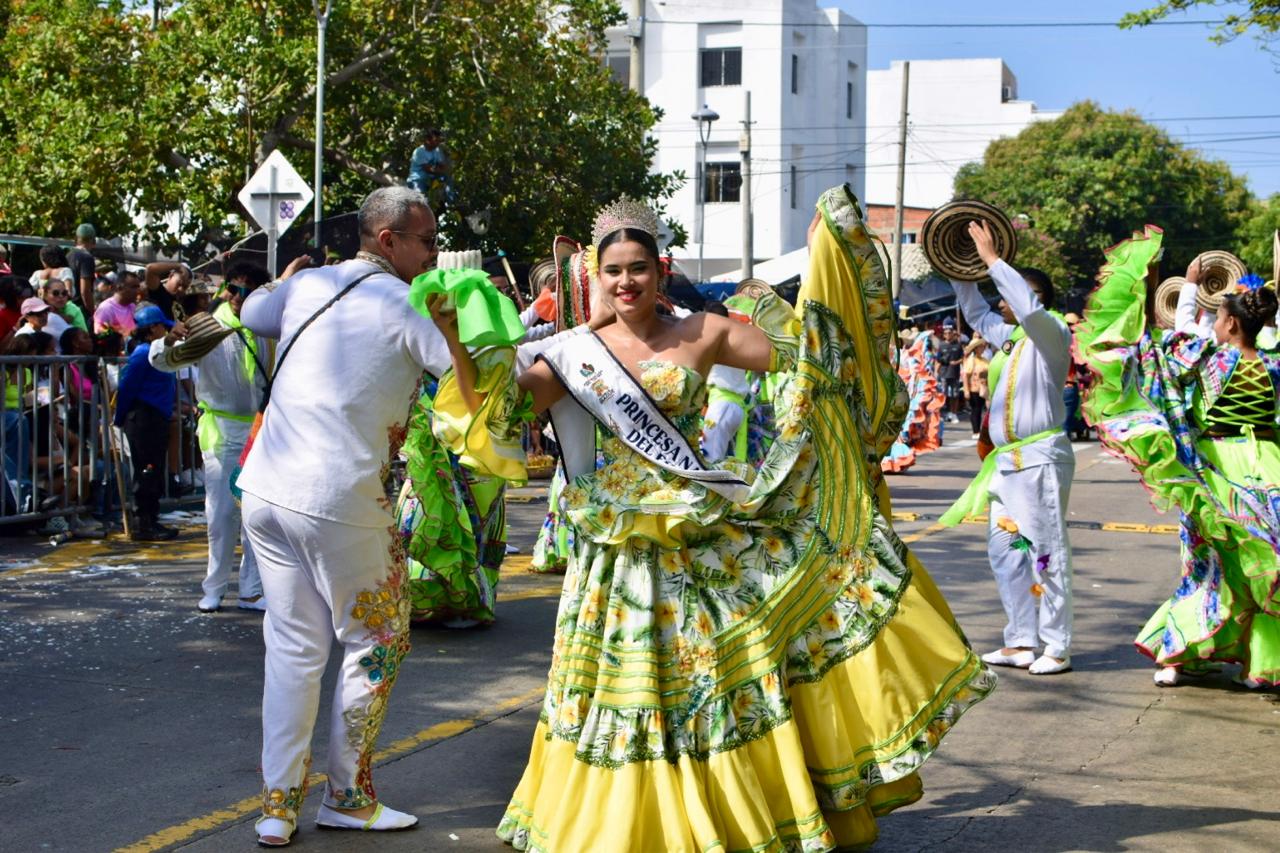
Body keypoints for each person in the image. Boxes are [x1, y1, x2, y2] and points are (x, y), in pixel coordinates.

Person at [433, 190, 995, 852]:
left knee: (711, 676)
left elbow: (810, 361)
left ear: (660, 269)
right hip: (617, 546)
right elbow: (493, 414)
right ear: (595, 275)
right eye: (612, 271)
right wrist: (451, 337)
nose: (625, 282)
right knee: (624, 686)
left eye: (637, 268)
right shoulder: (568, 352)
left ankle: (723, 816)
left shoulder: (702, 333)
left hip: (697, 530)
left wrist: (827, 260)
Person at [236, 186, 449, 846]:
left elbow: (250, 308)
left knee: (295, 646)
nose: (435, 254)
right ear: (389, 239)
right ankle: (348, 795)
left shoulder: (309, 287)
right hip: (340, 498)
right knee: (379, 640)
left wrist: (288, 276)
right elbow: (469, 372)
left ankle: (278, 806)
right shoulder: (408, 303)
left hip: (267, 490)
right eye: (428, 241)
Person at [1078, 237, 1280, 688]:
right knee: (1263, 560)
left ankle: (1181, 656)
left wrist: (1185, 287)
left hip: (1214, 469)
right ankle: (1259, 662)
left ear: (1227, 322)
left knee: (1206, 561)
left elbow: (1166, 341)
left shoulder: (1207, 357)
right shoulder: (1274, 362)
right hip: (1270, 467)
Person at [943, 220, 1075, 676]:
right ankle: (1021, 639)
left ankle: (1056, 646)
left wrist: (994, 260)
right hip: (1007, 466)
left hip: (1040, 460)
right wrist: (959, 265)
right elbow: (978, 315)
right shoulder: (1013, 342)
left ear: (1033, 298)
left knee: (1044, 552)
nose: (1003, 301)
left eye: (1011, 293)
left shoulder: (1052, 334)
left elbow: (1028, 310)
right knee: (1007, 551)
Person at [150, 261, 273, 614]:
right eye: (232, 288)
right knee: (220, 516)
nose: (236, 296)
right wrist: (166, 340)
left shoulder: (266, 329)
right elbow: (165, 362)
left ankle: (251, 591)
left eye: (246, 289)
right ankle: (214, 588)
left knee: (255, 516)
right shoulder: (208, 326)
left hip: (261, 431)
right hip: (222, 433)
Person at [114, 305, 181, 542]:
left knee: (153, 469)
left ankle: (151, 519)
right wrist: (119, 417)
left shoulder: (157, 350)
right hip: (143, 417)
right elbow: (127, 388)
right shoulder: (143, 354)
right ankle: (144, 523)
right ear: (153, 328)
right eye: (163, 326)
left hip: (155, 416)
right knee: (147, 470)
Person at [882, 327, 945, 473]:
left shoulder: (909, 355)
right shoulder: (898, 354)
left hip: (904, 393)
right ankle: (892, 462)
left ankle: (897, 462)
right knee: (892, 428)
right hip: (895, 393)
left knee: (899, 429)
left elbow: (916, 375)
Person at [699, 301, 750, 463]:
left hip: (721, 409)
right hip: (735, 409)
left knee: (710, 463)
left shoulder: (713, 341)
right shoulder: (737, 341)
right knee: (725, 464)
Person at [94, 269, 141, 339]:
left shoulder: (132, 306)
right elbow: (100, 335)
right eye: (133, 287)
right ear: (119, 288)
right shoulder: (106, 309)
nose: (138, 291)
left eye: (138, 287)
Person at [962, 331, 992, 439]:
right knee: (976, 409)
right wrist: (966, 390)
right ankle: (975, 431)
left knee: (984, 409)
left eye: (983, 346)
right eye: (980, 347)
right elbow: (966, 375)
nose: (983, 348)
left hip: (984, 388)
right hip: (974, 388)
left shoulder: (985, 360)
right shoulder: (971, 360)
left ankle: (982, 430)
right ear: (975, 349)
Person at [936, 323, 965, 423]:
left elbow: (963, 358)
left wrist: (956, 362)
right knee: (943, 395)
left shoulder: (958, 345)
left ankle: (954, 413)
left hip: (954, 373)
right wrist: (937, 372)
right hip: (944, 373)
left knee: (955, 394)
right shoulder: (941, 345)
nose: (948, 335)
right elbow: (938, 359)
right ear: (944, 335)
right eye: (946, 333)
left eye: (949, 333)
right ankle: (943, 413)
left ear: (953, 334)